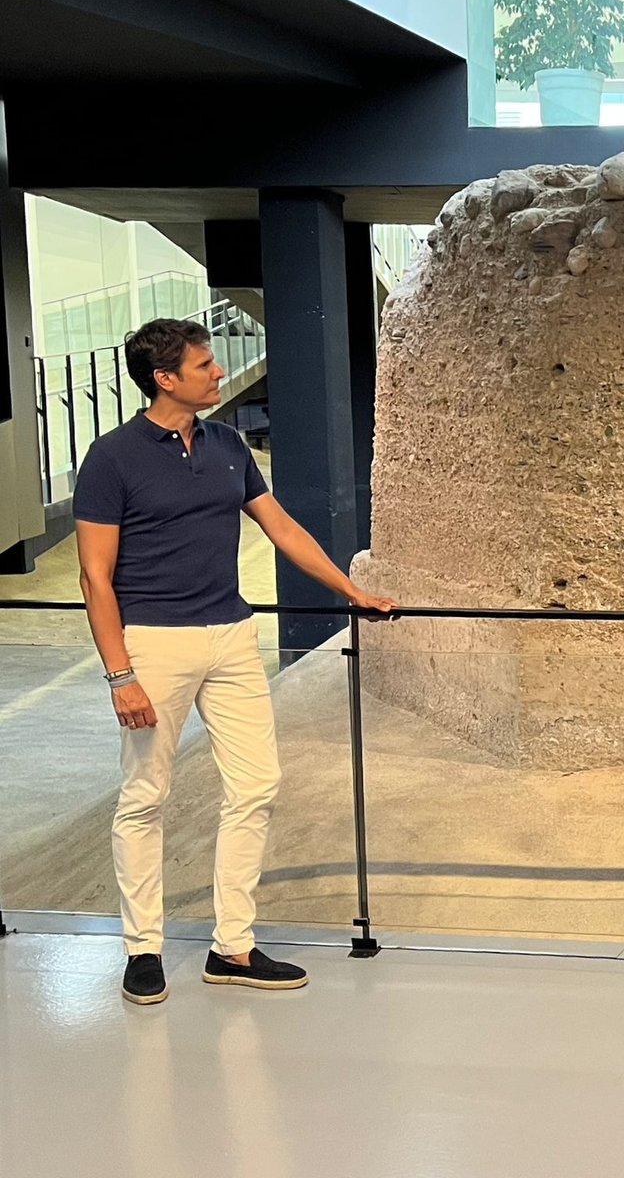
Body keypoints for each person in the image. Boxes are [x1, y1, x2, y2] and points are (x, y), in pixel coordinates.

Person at [74, 319, 397, 1006]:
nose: (219, 374)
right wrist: (120, 674)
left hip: (230, 635)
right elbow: (94, 579)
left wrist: (351, 591)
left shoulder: (227, 445)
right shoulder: (112, 458)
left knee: (256, 785)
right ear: (165, 378)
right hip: (152, 644)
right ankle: (142, 950)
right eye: (205, 365)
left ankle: (233, 947)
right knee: (145, 797)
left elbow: (279, 526)